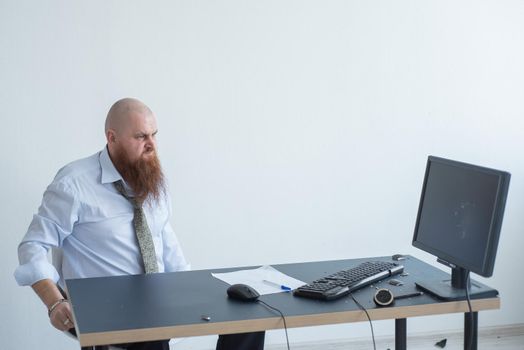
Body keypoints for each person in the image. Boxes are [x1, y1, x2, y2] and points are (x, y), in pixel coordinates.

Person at [14, 98, 265, 350]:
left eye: (154, 135)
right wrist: (54, 302)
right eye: (141, 136)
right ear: (112, 137)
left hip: (156, 301)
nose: (151, 145)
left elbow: (164, 240)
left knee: (249, 316)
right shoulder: (73, 184)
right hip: (102, 308)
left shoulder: (148, 175)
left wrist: (195, 291)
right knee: (150, 331)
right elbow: (32, 246)